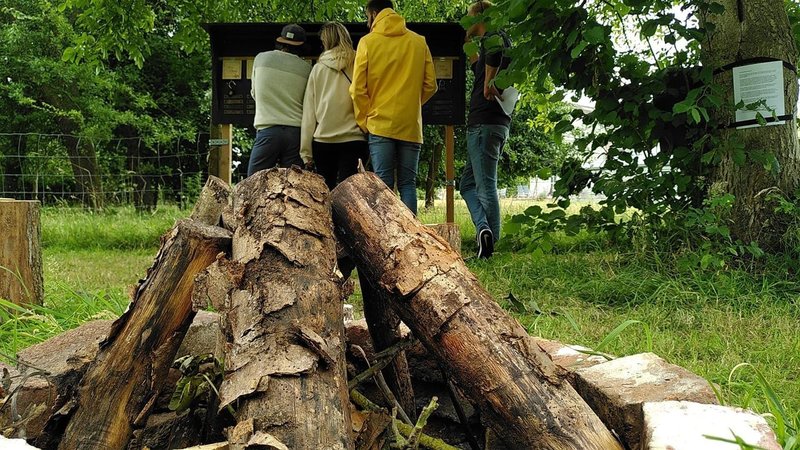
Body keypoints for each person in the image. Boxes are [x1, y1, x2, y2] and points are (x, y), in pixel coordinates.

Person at [350, 0, 437, 215]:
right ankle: (412, 231)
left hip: (379, 124)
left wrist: (364, 120)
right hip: (410, 125)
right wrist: (411, 105)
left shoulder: (367, 42)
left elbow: (357, 89)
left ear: (373, 14)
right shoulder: (419, 42)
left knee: (383, 184)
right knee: (408, 184)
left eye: (367, 17)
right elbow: (430, 85)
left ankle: (386, 232)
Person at [460, 1, 513, 258]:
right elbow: (478, 68)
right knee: (467, 185)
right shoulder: (495, 40)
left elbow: (487, 81)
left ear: (478, 17)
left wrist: (489, 84)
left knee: (484, 185)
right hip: (494, 123)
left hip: (484, 124)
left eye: (469, 18)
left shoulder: (494, 37)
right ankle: (485, 231)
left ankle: (490, 246)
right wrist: (469, 44)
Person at [300, 22, 367, 190]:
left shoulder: (318, 69)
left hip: (323, 140)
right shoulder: (359, 63)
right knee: (350, 193)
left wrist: (306, 153)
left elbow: (309, 113)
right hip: (354, 138)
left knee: (325, 191)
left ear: (326, 41)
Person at [247, 24, 312, 177]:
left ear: (281, 41)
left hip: (268, 130)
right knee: (293, 185)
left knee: (254, 183)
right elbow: (308, 103)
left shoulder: (261, 59)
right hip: (295, 134)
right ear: (301, 46)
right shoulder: (306, 69)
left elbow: (254, 93)